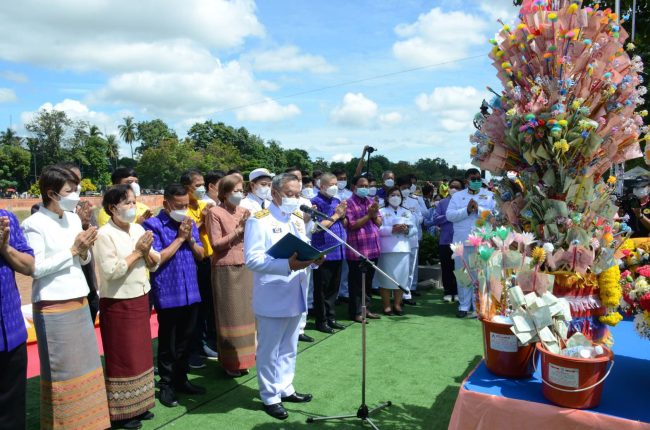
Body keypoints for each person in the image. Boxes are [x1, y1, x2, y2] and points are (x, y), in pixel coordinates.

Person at [22, 165, 110, 429]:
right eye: (70, 190)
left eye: (76, 188)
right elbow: (37, 268)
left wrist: (84, 249)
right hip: (53, 307)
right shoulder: (33, 224)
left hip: (79, 300)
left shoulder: (72, 218)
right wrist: (74, 249)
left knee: (86, 370)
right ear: (51, 193)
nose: (76, 194)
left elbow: (82, 259)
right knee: (62, 375)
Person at [244, 173, 320, 420]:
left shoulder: (296, 218)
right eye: (290, 194)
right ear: (275, 194)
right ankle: (269, 395)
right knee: (269, 349)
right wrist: (287, 264)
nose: (295, 199)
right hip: (273, 294)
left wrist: (315, 259)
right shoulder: (259, 220)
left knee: (289, 346)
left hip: (296, 292)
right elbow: (253, 259)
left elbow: (305, 246)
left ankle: (285, 387)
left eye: (297, 194)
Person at [94, 185, 160, 429]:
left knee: (141, 354)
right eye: (128, 203)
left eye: (134, 202)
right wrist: (138, 253)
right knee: (123, 357)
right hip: (118, 302)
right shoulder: (104, 235)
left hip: (140, 295)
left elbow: (154, 260)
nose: (133, 207)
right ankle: (123, 412)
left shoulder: (138, 228)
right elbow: (111, 272)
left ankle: (140, 405)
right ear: (112, 208)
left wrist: (149, 255)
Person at [143, 184, 206, 408]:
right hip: (168, 291)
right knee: (168, 342)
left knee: (186, 340)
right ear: (166, 204)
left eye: (186, 205)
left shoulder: (189, 224)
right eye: (178, 206)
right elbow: (157, 258)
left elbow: (201, 254)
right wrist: (180, 239)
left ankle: (181, 379)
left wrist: (189, 238)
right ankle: (167, 385)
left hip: (191, 290)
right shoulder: (152, 225)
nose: (184, 209)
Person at [206, 174, 255, 378]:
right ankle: (229, 361)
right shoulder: (214, 212)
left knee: (247, 314)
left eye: (241, 190)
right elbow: (216, 244)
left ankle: (245, 359)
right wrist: (239, 230)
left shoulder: (245, 211)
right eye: (235, 191)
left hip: (246, 265)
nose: (239, 194)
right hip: (226, 268)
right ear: (224, 193)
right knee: (230, 315)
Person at [0, 209, 34, 430]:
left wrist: (4, 248)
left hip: (11, 330)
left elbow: (29, 265)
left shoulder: (6, 218)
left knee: (12, 411)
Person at [180, 169, 219, 368]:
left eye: (203, 183)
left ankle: (204, 343)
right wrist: (203, 219)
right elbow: (187, 233)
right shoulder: (183, 208)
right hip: (193, 261)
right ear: (187, 187)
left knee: (206, 307)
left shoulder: (202, 204)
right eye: (197, 185)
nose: (201, 188)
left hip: (207, 258)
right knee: (194, 310)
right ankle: (193, 350)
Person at [55, 162, 102, 325]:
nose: (77, 186)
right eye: (72, 181)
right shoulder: (42, 211)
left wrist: (85, 225)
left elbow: (95, 241)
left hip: (88, 281)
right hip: (64, 286)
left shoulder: (85, 207)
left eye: (79, 181)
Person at [446, 168, 495, 318]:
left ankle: (479, 305)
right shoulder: (457, 196)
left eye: (478, 178)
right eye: (473, 179)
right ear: (466, 180)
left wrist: (478, 209)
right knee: (463, 274)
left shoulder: (489, 195)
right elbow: (449, 216)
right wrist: (466, 210)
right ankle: (464, 305)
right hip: (462, 242)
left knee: (481, 274)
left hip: (481, 241)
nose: (476, 181)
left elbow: (494, 215)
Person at [310, 173, 347, 333]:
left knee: (334, 288)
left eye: (336, 183)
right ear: (322, 186)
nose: (335, 186)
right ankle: (321, 320)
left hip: (339, 250)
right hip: (323, 251)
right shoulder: (315, 202)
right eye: (331, 184)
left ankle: (331, 317)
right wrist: (337, 215)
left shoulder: (337, 200)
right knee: (322, 289)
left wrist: (343, 215)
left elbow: (343, 222)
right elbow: (317, 227)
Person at [346, 175, 382, 322]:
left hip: (373, 249)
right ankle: (356, 312)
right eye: (362, 186)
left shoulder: (370, 201)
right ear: (354, 187)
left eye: (367, 186)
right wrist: (369, 215)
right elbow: (352, 225)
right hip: (357, 251)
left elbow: (379, 222)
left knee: (368, 282)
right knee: (357, 284)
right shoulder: (348, 203)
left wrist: (374, 214)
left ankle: (367, 309)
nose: (365, 189)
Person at [285, 167, 315, 343]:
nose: (299, 181)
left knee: (303, 290)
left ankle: (300, 328)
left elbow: (306, 227)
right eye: (294, 178)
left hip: (304, 250)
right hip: (286, 256)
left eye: (300, 178)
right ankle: (289, 328)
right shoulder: (277, 202)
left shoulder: (305, 202)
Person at [377, 187, 416, 315]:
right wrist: (391, 230)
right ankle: (387, 305)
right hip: (387, 249)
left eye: (398, 195)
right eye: (392, 195)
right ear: (387, 198)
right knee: (386, 278)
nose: (395, 197)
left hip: (403, 249)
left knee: (401, 279)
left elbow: (414, 229)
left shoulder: (407, 212)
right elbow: (377, 229)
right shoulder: (381, 211)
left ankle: (397, 305)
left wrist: (406, 230)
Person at [431, 179, 463, 302]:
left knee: (460, 267)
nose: (453, 189)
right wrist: (449, 216)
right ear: (448, 188)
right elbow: (436, 219)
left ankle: (459, 291)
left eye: (457, 187)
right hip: (445, 240)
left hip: (459, 241)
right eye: (452, 186)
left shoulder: (464, 203)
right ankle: (448, 291)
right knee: (446, 267)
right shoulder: (443, 203)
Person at [397, 176, 424, 304]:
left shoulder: (414, 201)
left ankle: (406, 294)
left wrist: (412, 220)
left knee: (410, 268)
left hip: (412, 238)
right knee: (398, 268)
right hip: (397, 240)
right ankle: (396, 294)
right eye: (403, 188)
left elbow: (420, 217)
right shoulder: (394, 200)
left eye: (408, 188)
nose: (406, 190)